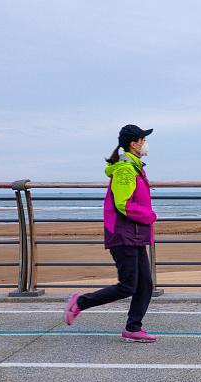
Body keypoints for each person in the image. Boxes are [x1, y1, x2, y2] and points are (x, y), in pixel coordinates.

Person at [63, 124, 158, 342]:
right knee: (128, 286)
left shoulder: (134, 167)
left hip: (133, 234)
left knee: (145, 284)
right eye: (143, 140)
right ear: (133, 144)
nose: (145, 144)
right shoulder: (125, 169)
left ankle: (133, 328)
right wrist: (150, 215)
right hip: (123, 234)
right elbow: (123, 204)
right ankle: (80, 302)